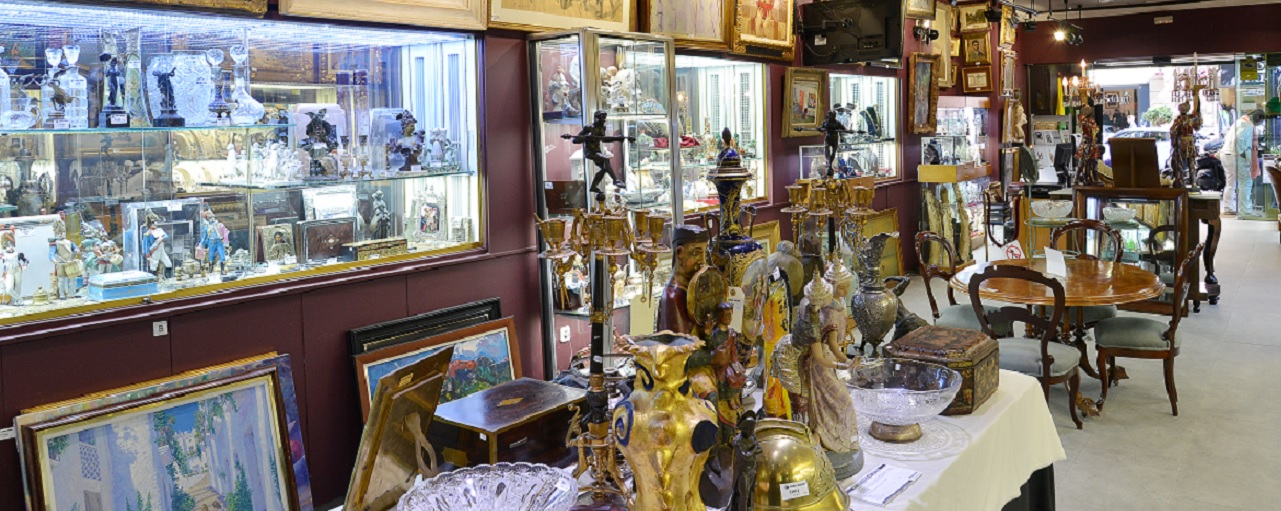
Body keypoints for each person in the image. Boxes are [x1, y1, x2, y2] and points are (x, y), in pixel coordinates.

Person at [562, 110, 635, 199]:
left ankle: (594, 186)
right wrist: (585, 137)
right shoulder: (588, 128)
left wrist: (618, 139)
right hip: (589, 152)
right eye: (602, 118)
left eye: (604, 118)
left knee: (605, 168)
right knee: (605, 159)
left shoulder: (602, 128)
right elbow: (575, 140)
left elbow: (603, 139)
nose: (604, 120)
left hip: (597, 151)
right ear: (596, 118)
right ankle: (615, 180)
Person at [656, 225, 709, 335]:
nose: (702, 261)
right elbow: (681, 343)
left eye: (705, 253)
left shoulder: (692, 289)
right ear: (679, 252)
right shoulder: (673, 297)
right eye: (695, 253)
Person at [1222, 109, 1265, 215]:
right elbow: (1239, 142)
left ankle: (1228, 207)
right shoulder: (1247, 125)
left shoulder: (1238, 121)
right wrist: (1247, 159)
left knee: (1230, 183)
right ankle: (1245, 210)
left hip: (1226, 154)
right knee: (1246, 182)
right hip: (1235, 156)